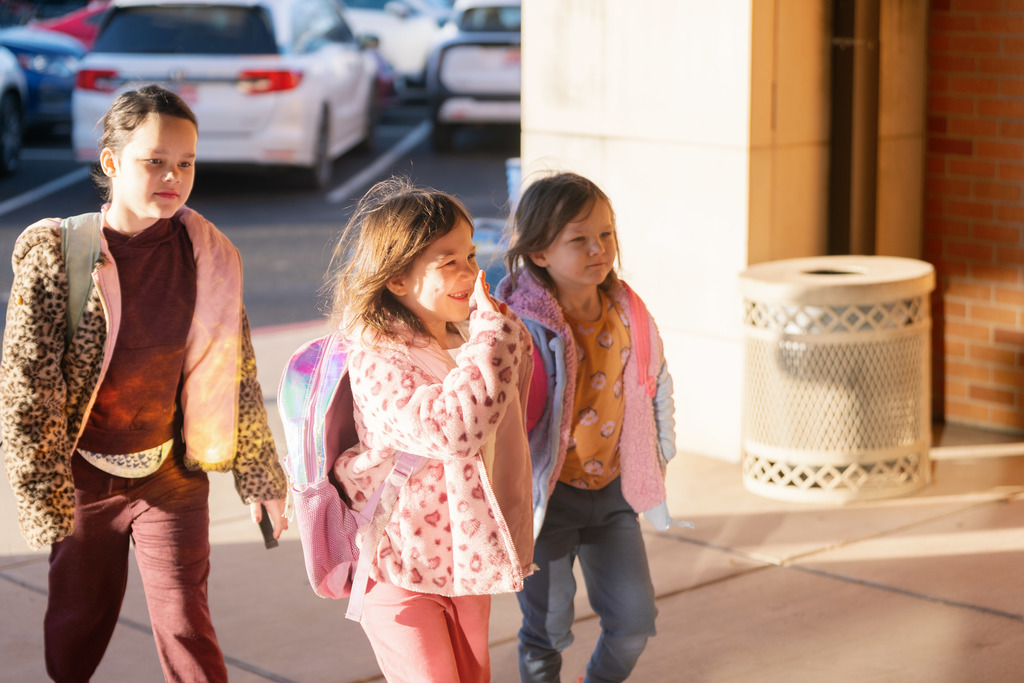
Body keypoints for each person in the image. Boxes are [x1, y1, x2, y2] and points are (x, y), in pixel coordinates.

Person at [0, 85, 289, 682]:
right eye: (153, 160)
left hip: (171, 474)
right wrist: (43, 498)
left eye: (185, 163)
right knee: (78, 626)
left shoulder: (208, 253)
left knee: (188, 623)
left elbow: (235, 373)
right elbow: (25, 393)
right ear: (111, 163)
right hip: (83, 480)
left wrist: (261, 481)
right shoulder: (60, 256)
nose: (172, 176)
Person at [325, 177, 535, 682]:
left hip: (462, 560)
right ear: (397, 280)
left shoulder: (464, 342)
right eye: (449, 262)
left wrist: (495, 337)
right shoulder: (377, 357)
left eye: (470, 254)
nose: (471, 271)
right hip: (396, 565)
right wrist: (493, 338)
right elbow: (452, 431)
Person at [497, 172, 682, 683]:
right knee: (547, 631)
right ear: (538, 253)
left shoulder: (628, 309)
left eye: (605, 234)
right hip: (547, 501)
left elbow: (655, 381)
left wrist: (660, 454)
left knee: (634, 623)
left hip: (614, 494)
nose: (598, 249)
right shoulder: (517, 325)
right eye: (578, 239)